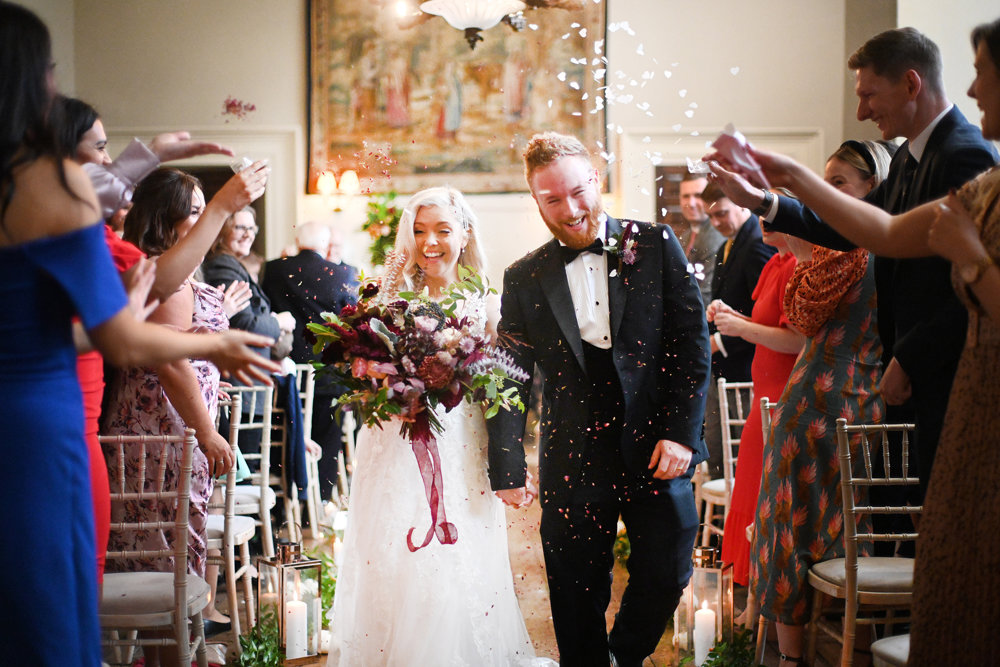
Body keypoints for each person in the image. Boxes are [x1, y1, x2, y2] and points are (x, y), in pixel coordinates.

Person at [714, 18, 1000, 663]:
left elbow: (944, 284)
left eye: (870, 94)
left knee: (957, 544)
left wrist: (907, 355)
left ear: (910, 83)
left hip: (955, 375)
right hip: (918, 376)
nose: (862, 108)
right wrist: (769, 197)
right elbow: (876, 233)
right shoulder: (912, 157)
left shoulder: (967, 156)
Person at [0, 5, 277, 663]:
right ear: (29, 79)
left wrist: (141, 158)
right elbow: (125, 342)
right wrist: (214, 344)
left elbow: (44, 333)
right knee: (50, 620)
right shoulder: (45, 183)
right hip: (40, 435)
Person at [487, 132, 711, 667]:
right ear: (536, 200)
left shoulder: (655, 244)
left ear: (596, 180)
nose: (570, 209)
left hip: (656, 441)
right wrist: (508, 463)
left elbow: (690, 343)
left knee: (667, 567)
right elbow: (509, 374)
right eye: (552, 199)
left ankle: (623, 657)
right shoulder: (523, 276)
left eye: (577, 191)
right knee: (573, 586)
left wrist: (682, 432)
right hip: (573, 448)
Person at [57, 95, 267, 588]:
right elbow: (141, 344)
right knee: (135, 565)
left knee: (110, 567)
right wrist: (210, 347)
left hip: (93, 419)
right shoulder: (75, 234)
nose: (111, 164)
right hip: (143, 429)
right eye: (102, 149)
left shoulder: (99, 240)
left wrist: (149, 154)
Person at [328, 187, 538, 666]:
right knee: (391, 544)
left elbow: (500, 389)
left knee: (456, 547)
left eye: (443, 230)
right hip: (393, 444)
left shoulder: (486, 303)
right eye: (420, 231)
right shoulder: (391, 300)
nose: (430, 243)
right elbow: (361, 362)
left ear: (464, 234)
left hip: (458, 442)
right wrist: (378, 379)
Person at [744, 140, 892, 666]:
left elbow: (803, 321)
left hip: (819, 403)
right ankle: (864, 647)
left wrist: (807, 252)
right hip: (872, 403)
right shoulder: (895, 247)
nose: (827, 196)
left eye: (838, 185)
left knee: (790, 527)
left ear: (873, 188)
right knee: (859, 528)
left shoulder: (848, 250)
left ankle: (790, 660)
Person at [712, 220, 802, 589]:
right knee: (748, 492)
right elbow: (761, 324)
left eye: (773, 211)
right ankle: (746, 598)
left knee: (760, 495)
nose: (764, 221)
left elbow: (795, 341)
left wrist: (739, 329)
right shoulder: (774, 263)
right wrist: (732, 317)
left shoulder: (798, 266)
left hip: (781, 395)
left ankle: (761, 597)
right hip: (760, 394)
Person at [262, 221, 360, 499]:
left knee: (286, 436)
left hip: (286, 367)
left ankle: (289, 499)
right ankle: (321, 500)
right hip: (328, 369)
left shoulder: (274, 269)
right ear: (325, 243)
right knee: (328, 439)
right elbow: (351, 319)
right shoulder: (343, 272)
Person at [701, 182, 776, 477]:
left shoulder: (758, 243)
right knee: (722, 453)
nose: (717, 222)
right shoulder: (727, 245)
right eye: (713, 216)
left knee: (742, 459)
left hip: (746, 367)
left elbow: (764, 311)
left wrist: (719, 341)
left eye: (721, 213)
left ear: (743, 205)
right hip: (726, 369)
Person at [203, 206, 295, 357]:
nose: (248, 235)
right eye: (240, 228)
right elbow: (244, 325)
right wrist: (278, 322)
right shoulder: (223, 266)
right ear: (222, 231)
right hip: (239, 372)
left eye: (252, 229)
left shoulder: (232, 264)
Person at [678, 173, 726, 305]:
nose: (691, 203)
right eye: (686, 196)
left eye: (697, 196)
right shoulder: (685, 236)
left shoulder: (717, 235)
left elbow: (707, 293)